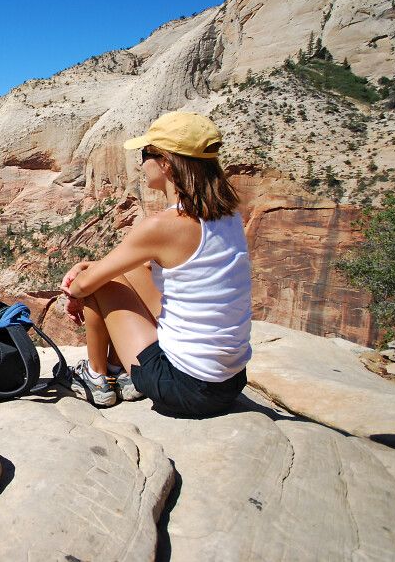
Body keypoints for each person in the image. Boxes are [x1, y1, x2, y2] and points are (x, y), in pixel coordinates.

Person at [59, 111, 252, 416]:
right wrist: (89, 265)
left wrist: (79, 286)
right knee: (111, 272)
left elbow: (85, 285)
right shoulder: (229, 216)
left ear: (165, 163)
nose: (140, 162)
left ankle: (96, 378)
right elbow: (139, 268)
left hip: (185, 387)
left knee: (99, 283)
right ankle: (118, 371)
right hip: (230, 381)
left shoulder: (165, 225)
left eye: (144, 154)